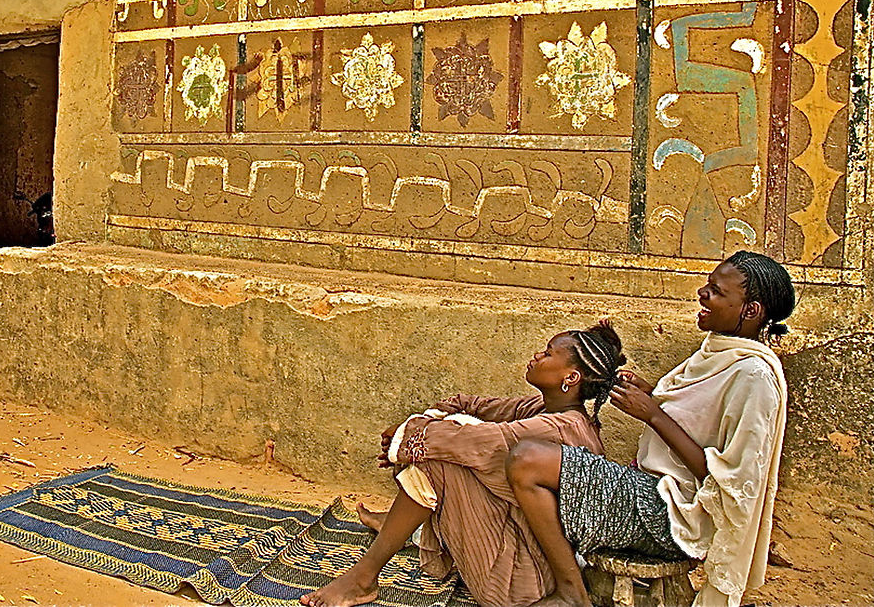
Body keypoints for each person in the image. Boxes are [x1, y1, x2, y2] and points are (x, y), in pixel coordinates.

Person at [505, 251, 795, 607]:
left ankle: (571, 593)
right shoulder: (720, 352)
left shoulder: (754, 376)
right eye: (707, 286)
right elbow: (697, 420)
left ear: (750, 310)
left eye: (717, 292)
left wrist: (654, 414)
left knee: (527, 459)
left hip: (671, 515)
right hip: (650, 490)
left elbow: (729, 486)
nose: (703, 294)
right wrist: (651, 394)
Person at [299, 321, 627, 607]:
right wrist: (420, 426)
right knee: (438, 445)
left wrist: (407, 436)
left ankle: (363, 578)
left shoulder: (562, 429)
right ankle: (397, 527)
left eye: (548, 353)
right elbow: (468, 404)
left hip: (526, 584)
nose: (538, 355)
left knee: (438, 462)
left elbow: (474, 442)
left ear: (570, 376)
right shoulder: (541, 408)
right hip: (515, 553)